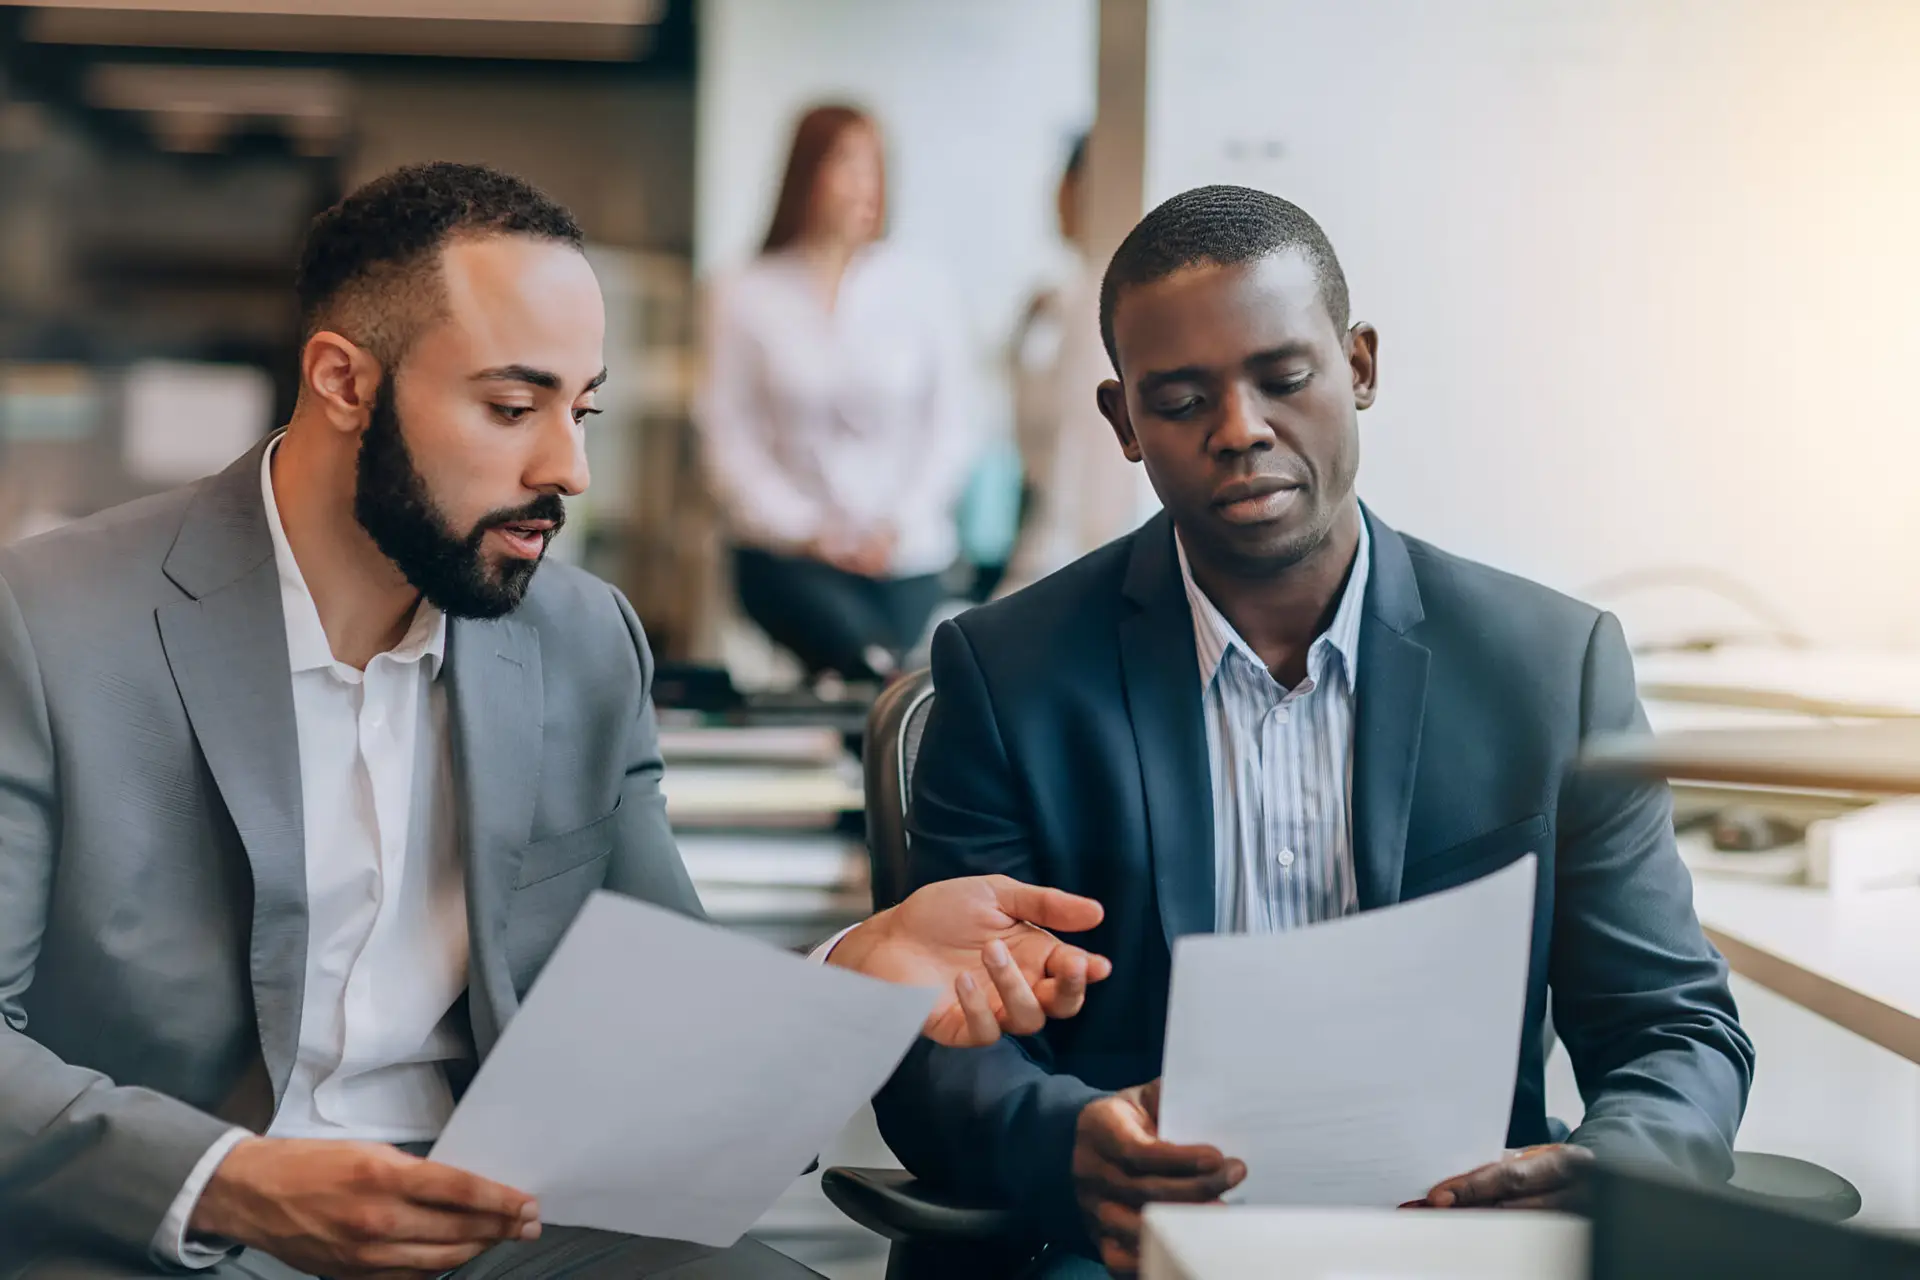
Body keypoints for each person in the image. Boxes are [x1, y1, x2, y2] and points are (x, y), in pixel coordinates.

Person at [0, 162, 1115, 1279]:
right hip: (169, 1225)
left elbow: (663, 1008)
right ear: (343, 380)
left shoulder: (582, 638)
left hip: (501, 1226)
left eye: (581, 409)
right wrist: (230, 1179)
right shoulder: (52, 621)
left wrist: (853, 970)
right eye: (511, 406)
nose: (567, 467)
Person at [871, 185, 1755, 1277]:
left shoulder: (1548, 668)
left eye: (1283, 378)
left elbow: (1674, 1026)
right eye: (1183, 399)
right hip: (1124, 1250)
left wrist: (1611, 1167)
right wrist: (1069, 1141)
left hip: (1450, 1237)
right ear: (1122, 423)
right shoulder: (1009, 672)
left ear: (1361, 367)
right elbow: (940, 1042)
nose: (1240, 430)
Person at [696, 104, 979, 683]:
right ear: (806, 174)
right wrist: (807, 531)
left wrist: (893, 526)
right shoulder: (743, 290)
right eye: (847, 164)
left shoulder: (924, 288)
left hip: (903, 554)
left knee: (871, 672)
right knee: (865, 665)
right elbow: (726, 432)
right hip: (787, 558)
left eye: (875, 166)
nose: (865, 185)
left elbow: (952, 426)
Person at [999, 133, 1153, 597]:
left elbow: (1083, 461)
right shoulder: (1067, 297)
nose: (1056, 197)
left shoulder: (1100, 299)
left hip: (1077, 550)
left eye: (1067, 182)